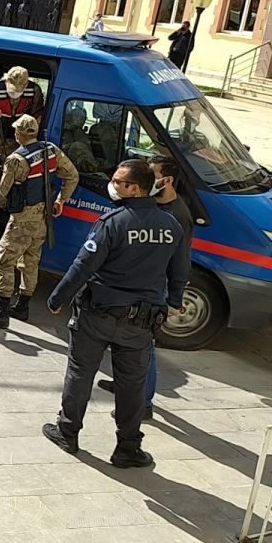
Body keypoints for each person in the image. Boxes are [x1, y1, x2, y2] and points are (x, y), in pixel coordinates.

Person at [43, 159, 189, 468]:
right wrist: (174, 301)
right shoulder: (171, 226)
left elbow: (84, 265)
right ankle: (127, 448)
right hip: (142, 322)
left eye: (119, 182)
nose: (113, 185)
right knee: (132, 385)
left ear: (135, 189)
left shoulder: (113, 221)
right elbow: (180, 270)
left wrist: (58, 298)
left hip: (97, 316)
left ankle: (68, 432)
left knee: (81, 373)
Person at [98, 154, 194, 420]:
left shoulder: (177, 216)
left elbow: (180, 259)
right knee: (126, 341)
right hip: (138, 283)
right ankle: (125, 386)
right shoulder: (153, 205)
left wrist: (173, 296)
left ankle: (144, 402)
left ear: (167, 180)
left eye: (152, 176)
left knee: (144, 347)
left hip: (154, 287)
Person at [0, 115, 79, 326]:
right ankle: (22, 306)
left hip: (22, 219)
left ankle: (1, 311)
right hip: (43, 217)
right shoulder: (51, 150)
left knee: (4, 261)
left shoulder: (15, 159)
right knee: (30, 261)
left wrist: (4, 170)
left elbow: (3, 192)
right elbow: (72, 175)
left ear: (18, 133)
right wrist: (60, 200)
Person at [0, 66, 46, 201]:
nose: (15, 94)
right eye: (12, 89)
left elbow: (38, 113)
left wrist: (35, 122)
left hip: (17, 141)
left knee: (10, 179)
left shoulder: (34, 91)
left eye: (19, 91)